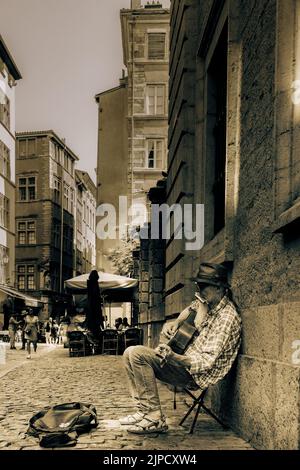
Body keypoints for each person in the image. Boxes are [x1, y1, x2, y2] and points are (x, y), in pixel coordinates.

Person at [119, 262, 242, 434]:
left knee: (138, 354)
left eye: (203, 286)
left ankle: (154, 417)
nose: (199, 290)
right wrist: (175, 323)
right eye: (198, 285)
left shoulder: (227, 318)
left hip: (194, 375)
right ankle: (143, 410)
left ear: (220, 288)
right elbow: (191, 307)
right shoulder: (209, 304)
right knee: (128, 352)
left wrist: (174, 357)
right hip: (183, 361)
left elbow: (205, 362)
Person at [86, 270, 104, 339]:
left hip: (92, 312)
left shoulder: (90, 284)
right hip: (95, 311)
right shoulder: (94, 285)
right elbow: (95, 297)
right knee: (97, 333)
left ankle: (95, 344)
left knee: (95, 332)